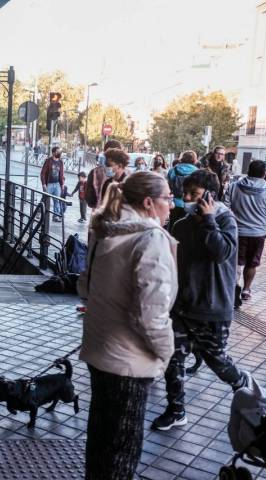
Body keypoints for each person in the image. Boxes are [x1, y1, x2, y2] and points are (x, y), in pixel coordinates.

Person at [78, 171, 177, 480]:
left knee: (100, 445)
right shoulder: (151, 239)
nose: (172, 205)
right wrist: (166, 351)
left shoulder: (104, 230)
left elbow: (85, 286)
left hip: (99, 351)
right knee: (122, 454)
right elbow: (152, 312)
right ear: (149, 203)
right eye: (168, 198)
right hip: (129, 362)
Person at [153, 169, 248, 431]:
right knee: (173, 359)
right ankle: (176, 409)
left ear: (210, 195)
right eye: (185, 193)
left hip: (213, 308)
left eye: (193, 194)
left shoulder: (226, 220)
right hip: (183, 307)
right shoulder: (182, 224)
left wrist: (208, 221)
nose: (187, 198)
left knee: (218, 361)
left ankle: (247, 390)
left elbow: (221, 253)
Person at [225, 160, 266, 301]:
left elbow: (225, 208)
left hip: (237, 231)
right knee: (252, 263)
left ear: (248, 171)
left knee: (236, 263)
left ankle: (233, 288)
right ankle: (246, 290)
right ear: (264, 174)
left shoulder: (233, 187)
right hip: (258, 233)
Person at [85, 139, 122, 210]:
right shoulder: (126, 173)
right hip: (119, 216)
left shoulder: (95, 172)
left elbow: (89, 199)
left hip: (99, 214)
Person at [166, 150, 198, 230]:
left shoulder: (173, 170)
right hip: (191, 204)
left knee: (173, 226)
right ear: (194, 159)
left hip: (175, 203)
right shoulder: (197, 171)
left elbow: (168, 187)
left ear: (182, 158)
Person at [40, 146, 65, 221]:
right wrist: (44, 184)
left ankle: (55, 216)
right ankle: (39, 212)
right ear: (53, 153)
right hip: (49, 184)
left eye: (59, 152)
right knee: (45, 199)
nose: (59, 153)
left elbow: (61, 174)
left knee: (56, 200)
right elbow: (43, 173)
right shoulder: (48, 161)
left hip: (57, 184)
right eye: (57, 152)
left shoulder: (60, 162)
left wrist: (62, 184)